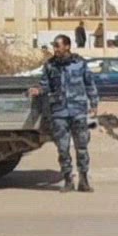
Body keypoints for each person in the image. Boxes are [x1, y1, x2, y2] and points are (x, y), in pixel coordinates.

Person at [31, 34, 100, 193]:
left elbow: (90, 84)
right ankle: (68, 180)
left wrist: (94, 104)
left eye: (58, 46)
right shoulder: (50, 65)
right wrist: (39, 90)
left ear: (67, 46)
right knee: (62, 148)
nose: (55, 49)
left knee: (82, 147)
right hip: (59, 112)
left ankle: (83, 180)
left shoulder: (79, 63)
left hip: (79, 111)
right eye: (54, 46)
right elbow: (45, 85)